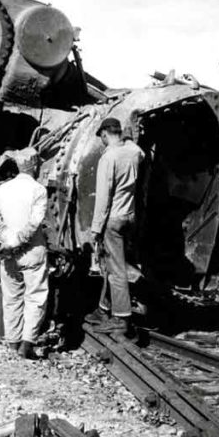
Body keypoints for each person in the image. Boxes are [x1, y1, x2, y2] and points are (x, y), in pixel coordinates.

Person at [0, 147, 49, 360]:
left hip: (7, 253)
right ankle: (26, 345)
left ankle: (12, 344)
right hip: (32, 252)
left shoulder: (2, 189)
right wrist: (18, 241)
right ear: (34, 166)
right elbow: (34, 223)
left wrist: (7, 240)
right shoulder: (39, 190)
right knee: (35, 298)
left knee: (11, 298)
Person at [88, 117, 144, 335]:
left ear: (104, 134)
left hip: (113, 220)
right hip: (130, 217)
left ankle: (121, 318)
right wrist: (128, 138)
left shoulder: (108, 158)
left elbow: (103, 197)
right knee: (113, 265)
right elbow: (140, 151)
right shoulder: (134, 151)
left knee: (116, 270)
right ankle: (103, 308)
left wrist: (95, 228)